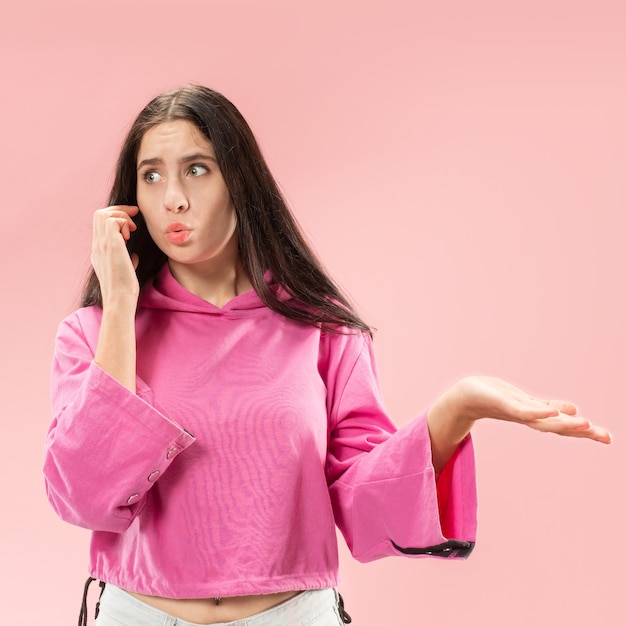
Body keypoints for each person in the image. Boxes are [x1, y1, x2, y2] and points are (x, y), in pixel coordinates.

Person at [43, 84, 611, 626]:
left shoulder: (321, 328)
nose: (174, 198)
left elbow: (364, 505)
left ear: (239, 181)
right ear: (131, 198)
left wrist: (457, 409)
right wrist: (120, 303)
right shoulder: (93, 333)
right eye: (151, 175)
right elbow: (86, 498)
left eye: (197, 168)